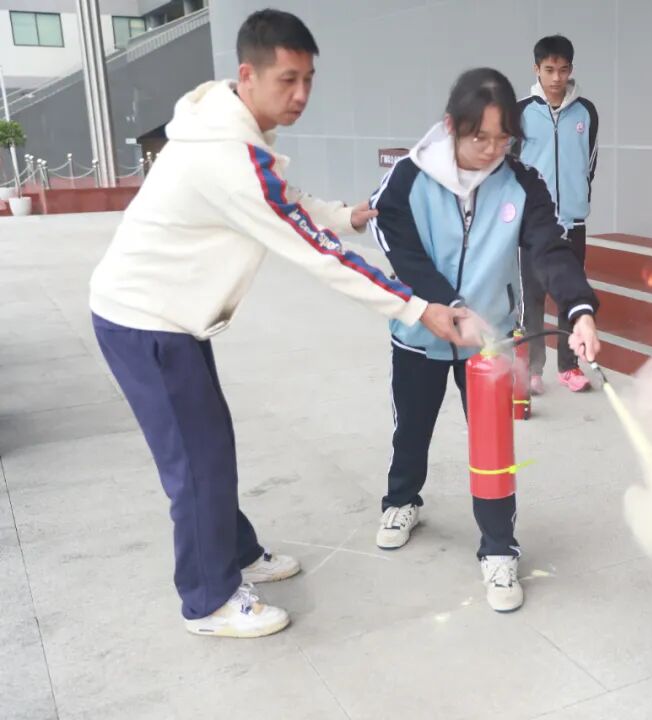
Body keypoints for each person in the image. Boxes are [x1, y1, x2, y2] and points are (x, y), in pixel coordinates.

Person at [88, 9, 468, 639]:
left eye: (308, 79)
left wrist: (346, 214)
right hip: (145, 322)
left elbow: (285, 202)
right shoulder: (229, 155)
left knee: (211, 446)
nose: (301, 94)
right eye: (287, 79)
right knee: (196, 461)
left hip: (168, 318)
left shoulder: (225, 120)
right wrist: (418, 307)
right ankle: (208, 600)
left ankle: (234, 553)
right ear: (248, 75)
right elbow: (317, 253)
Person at [368, 67, 601, 613]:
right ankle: (402, 499)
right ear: (452, 126)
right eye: (481, 138)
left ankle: (499, 548)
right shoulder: (410, 175)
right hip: (420, 332)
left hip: (488, 341)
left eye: (504, 139)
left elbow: (550, 249)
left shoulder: (522, 183)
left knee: (493, 447)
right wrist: (443, 304)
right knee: (412, 429)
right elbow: (396, 242)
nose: (493, 150)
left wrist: (580, 310)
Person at [517, 35, 599, 394]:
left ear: (571, 70)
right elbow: (513, 166)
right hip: (532, 226)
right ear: (536, 69)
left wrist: (578, 200)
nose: (556, 78)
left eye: (563, 70)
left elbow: (590, 162)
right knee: (532, 298)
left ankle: (569, 366)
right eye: (549, 70)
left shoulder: (586, 112)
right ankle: (534, 368)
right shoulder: (520, 111)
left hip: (572, 221)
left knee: (571, 293)